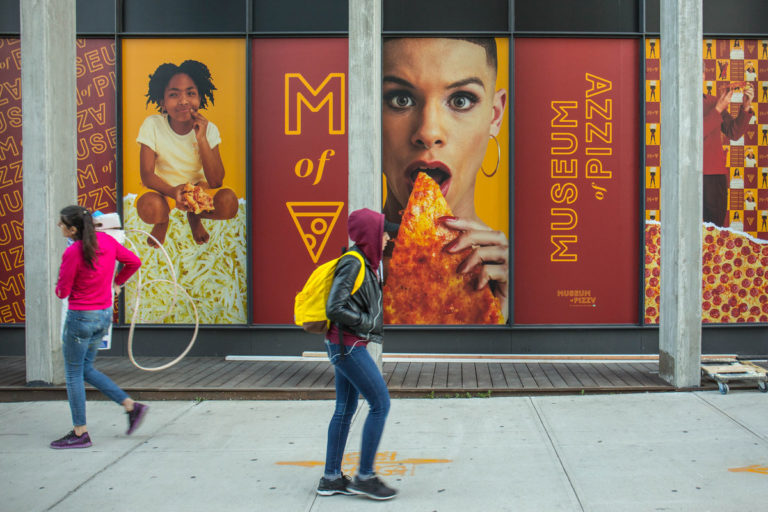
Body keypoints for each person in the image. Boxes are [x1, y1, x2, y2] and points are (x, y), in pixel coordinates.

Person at [381, 37, 509, 319]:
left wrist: (501, 317)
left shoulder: (517, 281)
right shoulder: (346, 265)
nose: (428, 132)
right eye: (400, 99)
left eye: (460, 100)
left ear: (495, 115)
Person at [316, 208, 398, 501]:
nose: (388, 238)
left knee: (344, 409)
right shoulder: (353, 263)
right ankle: (364, 476)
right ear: (371, 235)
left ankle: (331, 477)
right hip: (348, 346)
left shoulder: (366, 262)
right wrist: (366, 323)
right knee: (380, 403)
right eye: (384, 232)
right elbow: (334, 307)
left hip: (344, 343)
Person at [51, 206, 146, 449]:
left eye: (62, 224)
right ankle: (130, 406)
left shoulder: (73, 252)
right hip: (103, 315)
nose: (59, 227)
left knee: (73, 374)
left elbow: (62, 291)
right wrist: (116, 282)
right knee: (85, 369)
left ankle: (80, 432)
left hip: (81, 317)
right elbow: (134, 262)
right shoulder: (105, 240)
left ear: (73, 229)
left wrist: (64, 283)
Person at [135, 60, 238, 247]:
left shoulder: (209, 129)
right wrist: (173, 192)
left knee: (229, 203)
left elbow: (216, 181)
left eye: (190, 93)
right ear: (162, 102)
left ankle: (194, 215)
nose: (183, 101)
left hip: (198, 189)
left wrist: (202, 139)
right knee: (150, 208)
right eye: (174, 95)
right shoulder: (153, 125)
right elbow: (147, 174)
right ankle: (162, 221)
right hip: (162, 190)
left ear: (200, 98)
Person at [703, 81, 753, 226]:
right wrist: (718, 109)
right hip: (687, 173)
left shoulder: (713, 101)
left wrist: (745, 107)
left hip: (714, 175)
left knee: (715, 231)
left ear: (704, 76)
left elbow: (734, 132)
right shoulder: (676, 104)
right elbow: (693, 135)